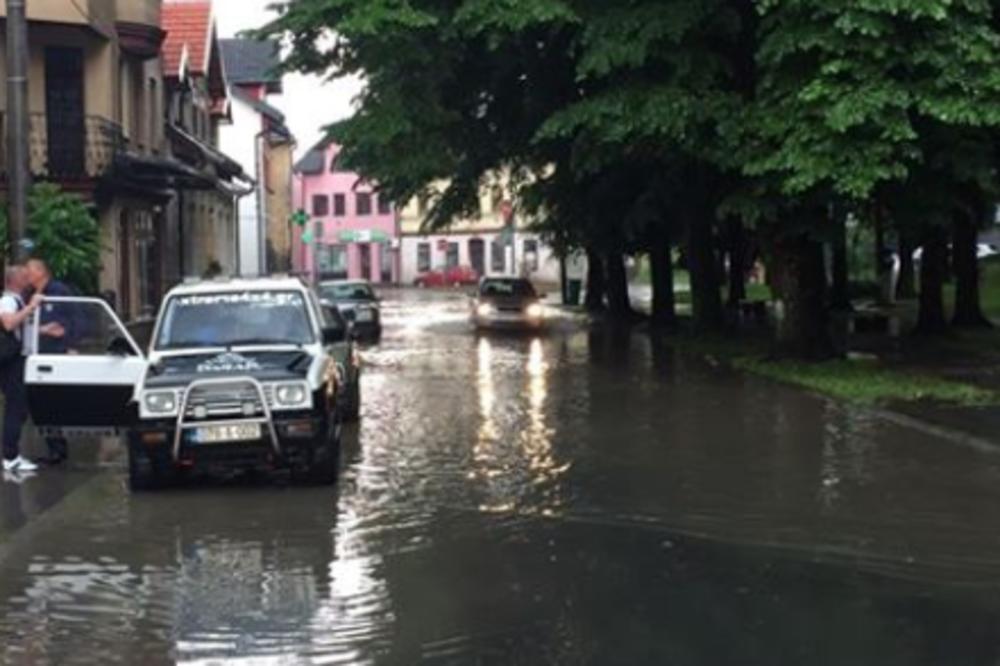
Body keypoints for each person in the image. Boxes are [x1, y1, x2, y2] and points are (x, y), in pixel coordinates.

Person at [25, 258, 75, 465]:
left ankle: (58, 449)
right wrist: (41, 330)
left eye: (30, 270)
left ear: (41, 271)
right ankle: (54, 446)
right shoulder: (28, 294)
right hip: (36, 357)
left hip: (55, 356)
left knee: (52, 402)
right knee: (41, 403)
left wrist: (70, 342)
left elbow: (73, 320)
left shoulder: (59, 292)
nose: (27, 275)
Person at [0, 266, 43, 474]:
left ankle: (12, 454)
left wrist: (44, 329)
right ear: (14, 280)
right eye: (24, 277)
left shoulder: (16, 300)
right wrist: (31, 307)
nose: (28, 280)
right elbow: (9, 324)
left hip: (17, 359)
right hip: (11, 361)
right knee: (15, 407)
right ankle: (10, 458)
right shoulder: (8, 300)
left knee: (19, 407)